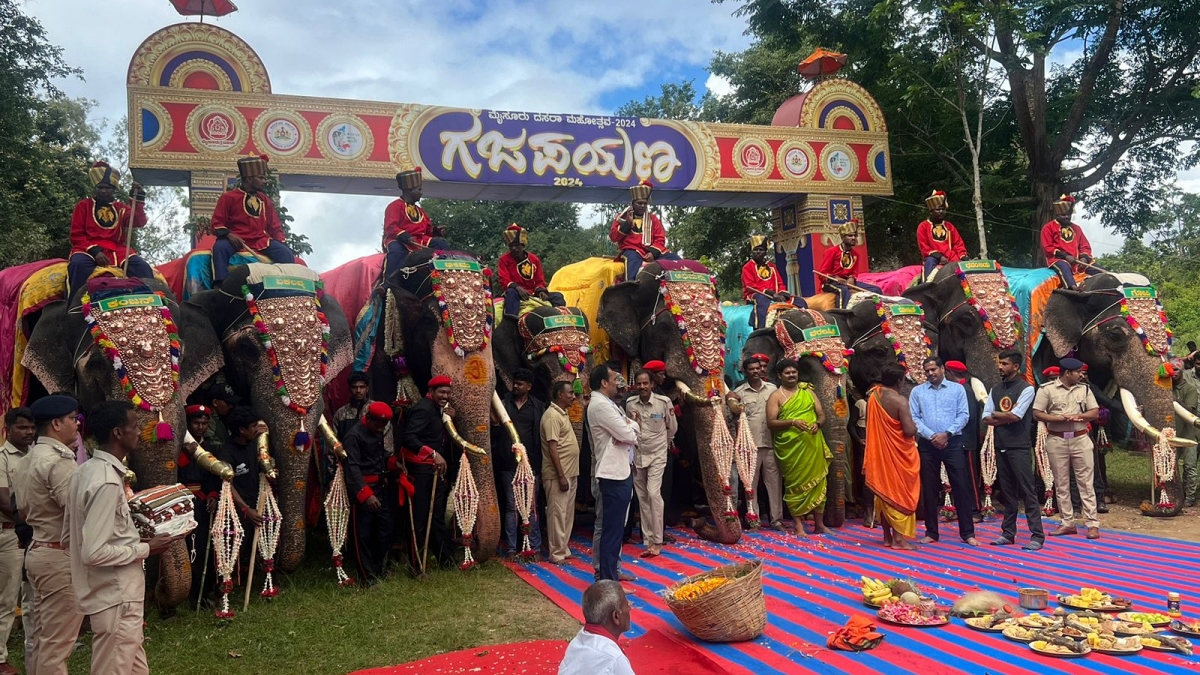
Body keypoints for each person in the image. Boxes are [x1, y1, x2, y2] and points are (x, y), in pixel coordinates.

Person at [65, 401, 168, 675]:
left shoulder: (84, 472)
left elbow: (69, 537)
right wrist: (145, 548)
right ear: (117, 433)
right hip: (116, 595)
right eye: (134, 426)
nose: (140, 431)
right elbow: (93, 551)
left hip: (113, 594)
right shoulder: (107, 481)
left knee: (135, 668)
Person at [12, 395, 84, 675]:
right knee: (57, 643)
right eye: (72, 419)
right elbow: (78, 510)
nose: (77, 425)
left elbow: (23, 512)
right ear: (56, 423)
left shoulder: (28, 459)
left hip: (39, 549)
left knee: (41, 638)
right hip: (59, 555)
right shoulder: (58, 462)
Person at [908, 357, 978, 546]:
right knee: (929, 489)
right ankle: (931, 532)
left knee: (961, 487)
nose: (930, 373)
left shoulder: (957, 389)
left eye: (933, 369)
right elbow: (914, 418)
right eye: (927, 371)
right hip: (928, 445)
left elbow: (964, 415)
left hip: (953, 442)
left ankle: (968, 533)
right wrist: (932, 436)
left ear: (942, 369)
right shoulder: (917, 392)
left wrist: (947, 434)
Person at [982, 349, 1045, 550]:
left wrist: (997, 415)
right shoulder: (995, 389)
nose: (1000, 367)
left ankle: (1037, 536)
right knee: (1007, 492)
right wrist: (1002, 416)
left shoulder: (1026, 389)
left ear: (1016, 367)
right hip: (1001, 446)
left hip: (1019, 447)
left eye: (1005, 364)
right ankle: (1008, 533)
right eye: (1000, 363)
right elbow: (986, 418)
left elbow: (1016, 416)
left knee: (1027, 491)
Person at [1033, 357, 1101, 539]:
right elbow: (1037, 413)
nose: (1081, 375)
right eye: (1078, 372)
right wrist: (1058, 419)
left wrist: (1079, 417)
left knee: (1086, 482)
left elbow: (1094, 412)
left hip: (1080, 439)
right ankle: (1067, 522)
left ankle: (1092, 523)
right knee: (1061, 483)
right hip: (1057, 439)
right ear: (1067, 373)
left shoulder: (1084, 389)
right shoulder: (1046, 389)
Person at [766, 359, 832, 536]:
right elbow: (771, 422)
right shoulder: (776, 396)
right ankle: (799, 526)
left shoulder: (808, 392)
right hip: (791, 448)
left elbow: (821, 415)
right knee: (794, 485)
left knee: (819, 482)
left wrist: (817, 424)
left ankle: (819, 524)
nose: (791, 375)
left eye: (794, 372)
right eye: (787, 373)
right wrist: (792, 422)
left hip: (812, 444)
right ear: (780, 376)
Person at [66, 161, 152, 297]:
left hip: (117, 250)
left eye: (107, 188)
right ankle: (72, 305)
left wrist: (138, 199)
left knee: (142, 267)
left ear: (113, 189)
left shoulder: (121, 208)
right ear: (95, 188)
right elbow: (76, 235)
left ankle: (151, 304)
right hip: (87, 249)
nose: (103, 191)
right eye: (100, 187)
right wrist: (95, 251)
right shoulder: (83, 205)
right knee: (77, 265)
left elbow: (138, 222)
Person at [587, 364, 639, 581]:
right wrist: (629, 429)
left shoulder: (609, 404)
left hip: (621, 471)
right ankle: (608, 579)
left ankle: (612, 573)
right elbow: (630, 434)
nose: (618, 382)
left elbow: (630, 429)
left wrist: (629, 428)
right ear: (603, 383)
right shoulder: (600, 405)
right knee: (611, 529)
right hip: (612, 475)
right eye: (613, 378)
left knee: (617, 528)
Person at [201, 407, 267, 578]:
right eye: (253, 426)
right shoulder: (227, 452)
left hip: (256, 502)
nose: (256, 429)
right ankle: (225, 581)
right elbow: (227, 484)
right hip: (238, 509)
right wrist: (245, 509)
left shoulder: (254, 445)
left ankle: (251, 577)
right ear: (241, 430)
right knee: (234, 545)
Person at [210, 155, 297, 283]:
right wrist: (229, 235)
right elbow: (216, 223)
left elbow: (275, 226)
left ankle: (287, 285)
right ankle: (221, 286)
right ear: (249, 179)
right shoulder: (228, 197)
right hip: (236, 239)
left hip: (261, 241)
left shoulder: (265, 200)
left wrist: (281, 243)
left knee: (285, 254)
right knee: (219, 248)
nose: (264, 181)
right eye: (260, 178)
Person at [864, 364, 921, 550]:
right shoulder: (899, 401)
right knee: (900, 494)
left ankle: (887, 537)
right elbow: (908, 429)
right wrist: (916, 426)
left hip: (880, 456)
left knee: (884, 494)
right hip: (899, 456)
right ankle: (898, 539)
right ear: (900, 380)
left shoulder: (874, 396)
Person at [402, 376, 454, 571]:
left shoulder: (436, 409)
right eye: (441, 392)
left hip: (433, 470)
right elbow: (409, 438)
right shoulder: (423, 409)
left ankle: (444, 560)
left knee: (437, 516)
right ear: (431, 392)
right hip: (422, 470)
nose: (445, 396)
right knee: (421, 517)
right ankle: (416, 563)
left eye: (448, 392)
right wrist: (433, 454)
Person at [727, 354, 784, 530]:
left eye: (757, 369)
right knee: (749, 485)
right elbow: (733, 416)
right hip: (748, 446)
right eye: (751, 369)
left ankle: (777, 520)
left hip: (770, 443)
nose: (755, 372)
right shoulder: (740, 393)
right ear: (745, 372)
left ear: (761, 370)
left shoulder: (773, 389)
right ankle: (754, 520)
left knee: (774, 484)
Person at [625, 370, 676, 557]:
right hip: (638, 455)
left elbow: (672, 428)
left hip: (657, 455)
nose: (642, 387)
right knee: (643, 498)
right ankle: (647, 539)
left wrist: (663, 443)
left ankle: (657, 539)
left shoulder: (664, 403)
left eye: (645, 383)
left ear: (652, 384)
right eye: (639, 384)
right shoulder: (630, 403)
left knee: (654, 494)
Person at [344, 402, 396, 584]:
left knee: (385, 530)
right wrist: (366, 494)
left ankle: (380, 569)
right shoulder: (354, 435)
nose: (381, 428)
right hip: (364, 492)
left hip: (381, 488)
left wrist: (393, 462)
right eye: (378, 424)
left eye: (384, 425)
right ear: (369, 417)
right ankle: (367, 576)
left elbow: (379, 455)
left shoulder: (379, 430)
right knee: (363, 535)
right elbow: (352, 468)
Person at [495, 368, 544, 559]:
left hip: (531, 464)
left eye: (520, 384)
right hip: (508, 464)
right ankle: (511, 549)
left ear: (529, 387)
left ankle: (535, 548)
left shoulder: (538, 406)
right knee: (511, 507)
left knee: (531, 507)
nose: (516, 386)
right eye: (515, 383)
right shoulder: (503, 403)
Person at [0, 409, 35, 675]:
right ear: (8, 429)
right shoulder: (1, 459)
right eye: (22, 428)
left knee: (33, 595)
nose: (29, 432)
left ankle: (34, 650)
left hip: (35, 533)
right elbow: (2, 500)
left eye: (32, 427)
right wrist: (28, 522)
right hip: (11, 533)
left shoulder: (37, 455)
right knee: (7, 598)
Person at [382, 167, 449, 286]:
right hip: (399, 240)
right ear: (410, 191)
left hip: (418, 240)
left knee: (441, 244)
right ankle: (390, 284)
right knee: (397, 252)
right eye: (419, 189)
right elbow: (390, 227)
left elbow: (427, 231)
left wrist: (435, 231)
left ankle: (446, 274)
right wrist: (404, 236)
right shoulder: (394, 206)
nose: (421, 193)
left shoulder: (421, 211)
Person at [557, 580, 634, 675]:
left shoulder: (577, 641)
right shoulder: (614, 658)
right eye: (627, 606)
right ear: (616, 616)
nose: (629, 609)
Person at [541, 382, 580, 564]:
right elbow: (552, 448)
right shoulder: (551, 416)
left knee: (567, 513)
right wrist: (561, 476)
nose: (573, 396)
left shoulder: (561, 414)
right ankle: (556, 553)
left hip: (570, 472)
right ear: (559, 395)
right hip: (558, 475)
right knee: (557, 514)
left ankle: (563, 548)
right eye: (570, 393)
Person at [179, 405, 215, 599]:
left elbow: (213, 477)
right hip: (183, 502)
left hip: (202, 503)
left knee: (203, 546)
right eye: (196, 423)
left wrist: (212, 495)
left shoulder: (210, 447)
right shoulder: (178, 448)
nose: (200, 427)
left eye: (204, 423)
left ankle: (205, 590)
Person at [610, 180, 677, 281]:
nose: (642, 206)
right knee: (633, 261)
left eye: (645, 203)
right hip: (632, 251)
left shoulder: (653, 218)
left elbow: (660, 238)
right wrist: (627, 223)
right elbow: (614, 237)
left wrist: (652, 253)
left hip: (651, 252)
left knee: (675, 259)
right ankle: (630, 288)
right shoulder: (622, 217)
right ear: (632, 204)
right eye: (639, 203)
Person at [497, 224, 565, 318]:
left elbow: (539, 280)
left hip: (533, 293)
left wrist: (541, 291)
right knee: (511, 293)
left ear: (523, 245)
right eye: (511, 246)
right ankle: (510, 322)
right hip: (515, 293)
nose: (514, 249)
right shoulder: (503, 260)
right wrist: (518, 288)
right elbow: (503, 279)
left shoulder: (534, 259)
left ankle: (562, 320)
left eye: (517, 246)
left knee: (558, 296)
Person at [944, 360, 983, 522]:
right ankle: (963, 510)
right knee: (959, 476)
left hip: (966, 440)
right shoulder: (957, 389)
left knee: (970, 477)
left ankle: (975, 511)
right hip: (957, 440)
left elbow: (969, 417)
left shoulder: (965, 390)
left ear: (950, 373)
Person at [817, 220, 881, 309]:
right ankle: (844, 314)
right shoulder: (831, 252)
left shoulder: (855, 254)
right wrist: (836, 278)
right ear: (843, 237)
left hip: (847, 282)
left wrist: (851, 278)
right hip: (832, 282)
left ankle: (879, 313)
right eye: (850, 235)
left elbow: (854, 272)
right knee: (844, 291)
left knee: (876, 290)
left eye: (855, 235)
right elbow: (823, 273)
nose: (853, 238)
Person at [741, 235, 798, 329]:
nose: (758, 252)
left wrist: (782, 295)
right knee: (763, 301)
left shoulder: (772, 266)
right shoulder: (747, 267)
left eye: (761, 250)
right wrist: (771, 294)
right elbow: (750, 286)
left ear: (765, 252)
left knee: (798, 301)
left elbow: (780, 283)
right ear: (752, 251)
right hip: (755, 295)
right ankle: (760, 329)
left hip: (775, 295)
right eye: (756, 250)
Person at [1040, 194, 1095, 289]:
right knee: (1064, 267)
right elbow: (1048, 248)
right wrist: (1066, 256)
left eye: (1068, 215)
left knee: (1099, 270)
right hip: (1058, 259)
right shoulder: (1048, 228)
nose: (1066, 217)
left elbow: (1085, 246)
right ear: (1057, 215)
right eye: (1063, 215)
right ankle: (1073, 288)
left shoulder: (1077, 228)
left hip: (1078, 261)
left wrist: (1084, 259)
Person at [916, 190, 967, 282]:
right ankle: (928, 288)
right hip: (933, 258)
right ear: (931, 211)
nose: (941, 212)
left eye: (943, 209)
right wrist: (939, 257)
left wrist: (964, 257)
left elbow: (958, 244)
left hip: (951, 257)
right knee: (930, 262)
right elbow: (924, 247)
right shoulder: (923, 226)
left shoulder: (949, 226)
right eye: (938, 209)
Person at [1171, 358, 1200, 508]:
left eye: (1176, 370)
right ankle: (1174, 493)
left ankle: (1190, 497)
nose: (1173, 373)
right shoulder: (1165, 387)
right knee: (1170, 466)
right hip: (1171, 434)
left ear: (1181, 371)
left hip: (1188, 434)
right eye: (1171, 370)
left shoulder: (1190, 389)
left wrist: (1175, 401)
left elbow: (1190, 412)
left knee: (1190, 466)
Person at [334, 372, 373, 440]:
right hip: (346, 450)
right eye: (354, 387)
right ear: (349, 389)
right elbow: (334, 442)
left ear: (367, 389)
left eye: (362, 387)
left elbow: (387, 442)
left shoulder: (375, 409)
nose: (358, 390)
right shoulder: (340, 414)